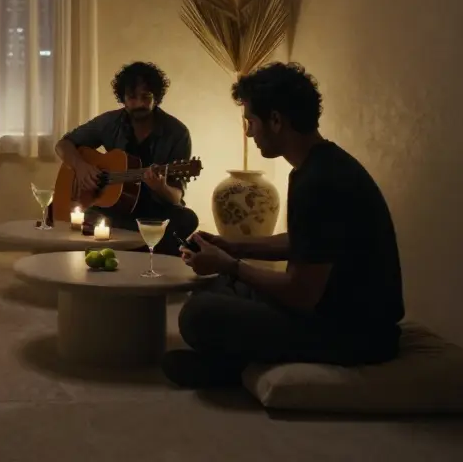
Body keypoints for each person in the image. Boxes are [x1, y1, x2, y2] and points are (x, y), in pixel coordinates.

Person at [164, 62, 404, 388]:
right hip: (331, 313)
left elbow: (301, 293)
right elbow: (305, 241)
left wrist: (232, 265)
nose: (249, 132)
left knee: (198, 315)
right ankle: (228, 364)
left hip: (351, 333)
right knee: (217, 287)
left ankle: (227, 371)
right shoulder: (320, 164)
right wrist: (232, 246)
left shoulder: (320, 180)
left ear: (276, 121)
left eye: (251, 122)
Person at [55, 61, 197, 255]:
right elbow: (63, 145)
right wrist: (80, 167)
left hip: (153, 211)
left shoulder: (177, 133)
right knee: (81, 214)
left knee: (187, 218)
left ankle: (129, 249)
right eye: (131, 97)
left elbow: (176, 197)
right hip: (114, 209)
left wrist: (161, 186)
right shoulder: (110, 122)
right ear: (122, 98)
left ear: (157, 98)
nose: (138, 103)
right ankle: (139, 247)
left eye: (145, 97)